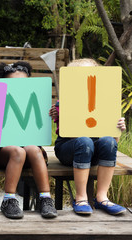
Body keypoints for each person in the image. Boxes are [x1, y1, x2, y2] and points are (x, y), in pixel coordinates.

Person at [51, 58, 127, 215]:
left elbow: (114, 142)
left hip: (94, 153)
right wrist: (61, 115)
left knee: (108, 141)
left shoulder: (105, 101)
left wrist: (117, 128)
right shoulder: (64, 102)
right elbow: (71, 135)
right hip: (70, 150)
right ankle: (81, 198)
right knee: (84, 141)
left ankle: (102, 197)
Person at [0, 61, 57, 219]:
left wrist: (53, 114)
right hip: (4, 153)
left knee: (34, 149)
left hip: (30, 151)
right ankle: (9, 200)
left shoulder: (36, 99)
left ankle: (45, 198)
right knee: (17, 151)